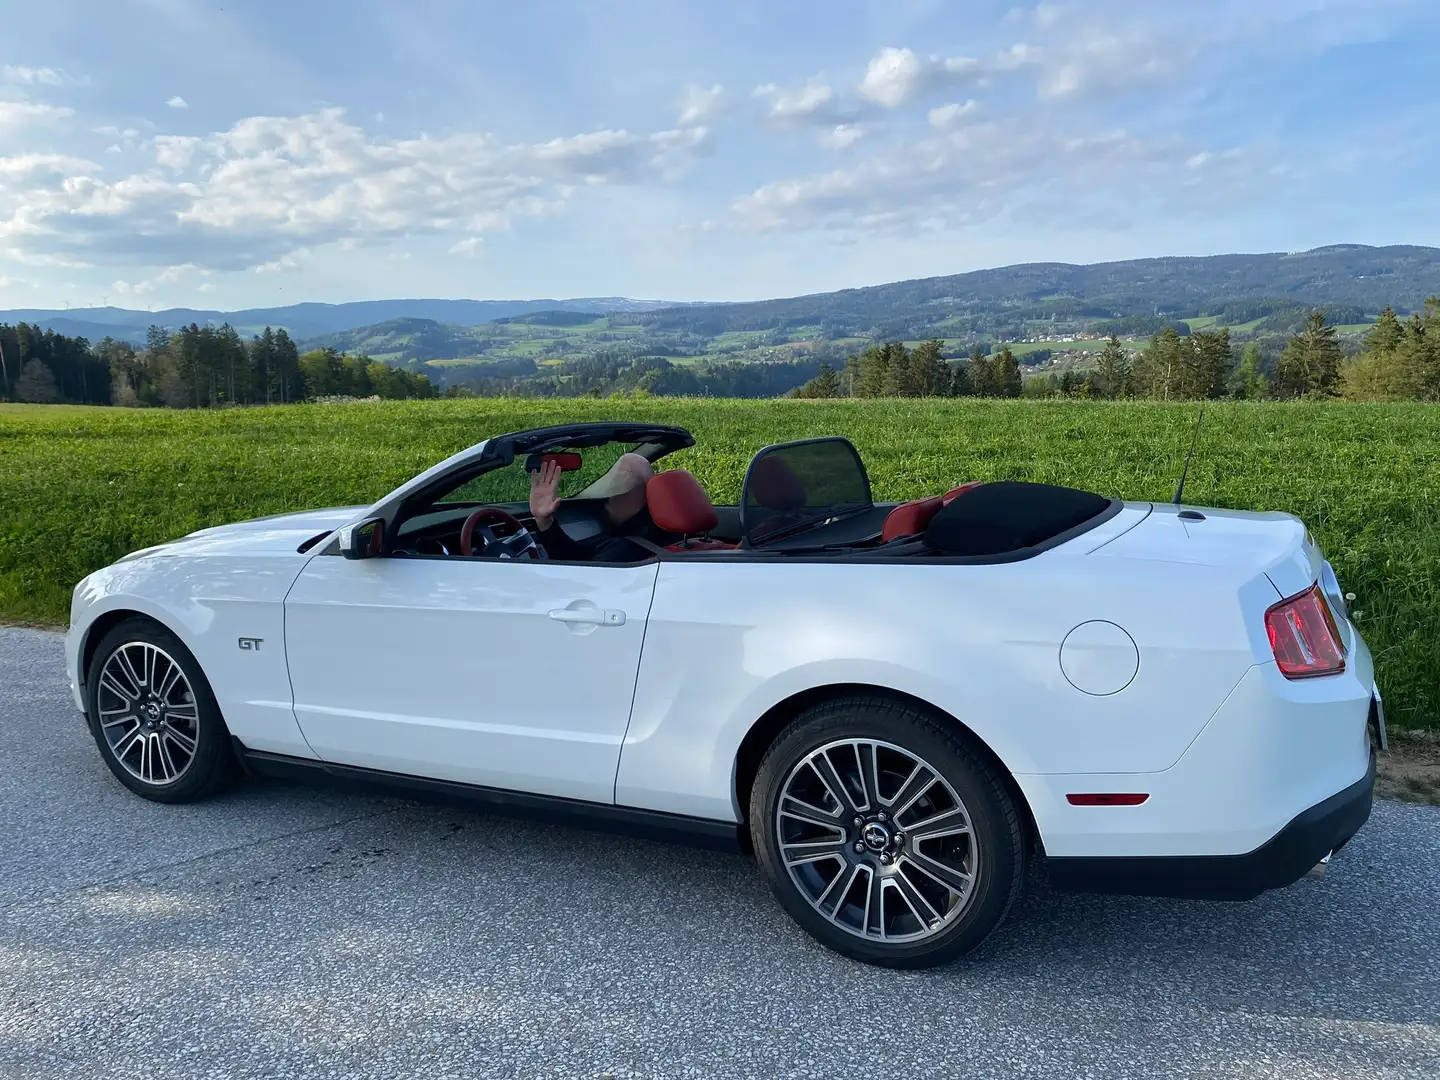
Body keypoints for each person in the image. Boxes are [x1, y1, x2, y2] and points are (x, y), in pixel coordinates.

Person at [528, 451, 676, 562]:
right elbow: (575, 554)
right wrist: (545, 521)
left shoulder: (624, 549)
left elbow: (574, 575)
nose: (608, 500)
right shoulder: (677, 535)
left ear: (636, 497)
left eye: (616, 491)